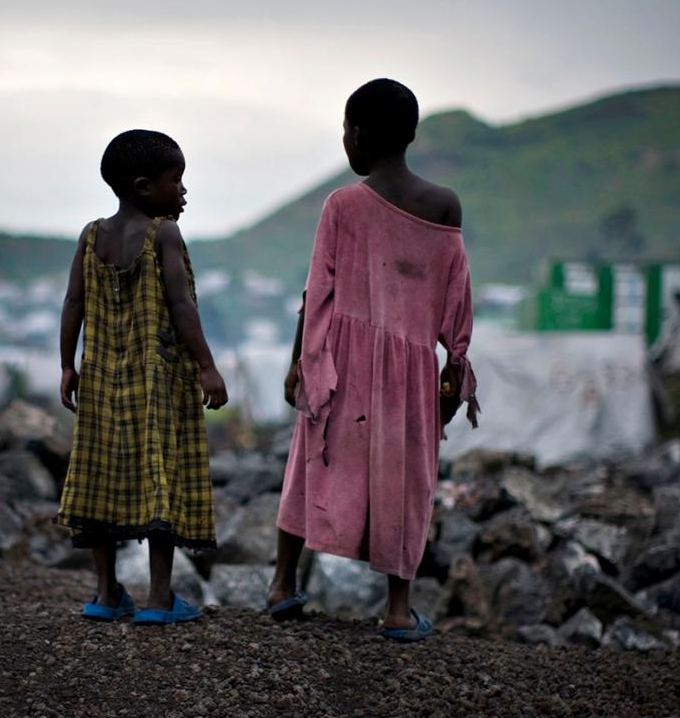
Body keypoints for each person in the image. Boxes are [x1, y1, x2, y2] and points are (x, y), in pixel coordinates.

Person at [269, 78, 479, 641]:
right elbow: (455, 294)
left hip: (340, 360)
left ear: (356, 134)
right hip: (410, 371)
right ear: (410, 135)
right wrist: (454, 366)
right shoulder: (444, 204)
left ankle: (283, 583)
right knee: (406, 478)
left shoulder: (342, 204)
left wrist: (300, 362)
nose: (344, 139)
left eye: (344, 129)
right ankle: (397, 608)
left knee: (312, 459)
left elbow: (317, 293)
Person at [56, 129, 227, 625]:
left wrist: (68, 365)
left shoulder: (92, 236)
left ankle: (106, 594)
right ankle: (158, 599)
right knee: (160, 480)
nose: (184, 191)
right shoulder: (163, 234)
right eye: (177, 180)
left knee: (100, 476)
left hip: (102, 380)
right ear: (143, 187)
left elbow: (73, 304)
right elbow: (181, 305)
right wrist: (206, 366)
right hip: (156, 382)